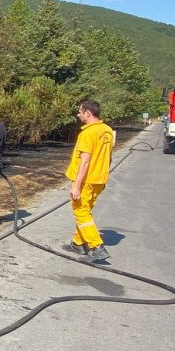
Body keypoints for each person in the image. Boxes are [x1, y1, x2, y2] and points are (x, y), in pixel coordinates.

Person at [62, 99, 115, 262]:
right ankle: (78, 243)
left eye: (79, 112)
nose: (78, 115)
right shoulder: (107, 130)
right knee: (85, 211)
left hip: (86, 180)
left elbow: (84, 161)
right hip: (99, 179)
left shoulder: (88, 133)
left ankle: (96, 246)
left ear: (88, 113)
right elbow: (109, 155)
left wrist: (76, 186)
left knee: (81, 212)